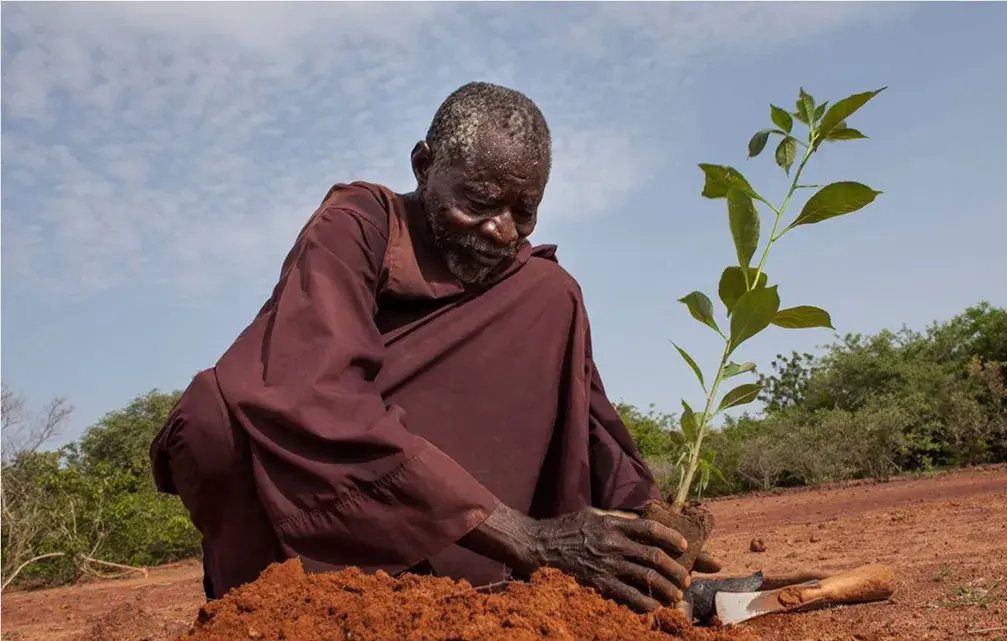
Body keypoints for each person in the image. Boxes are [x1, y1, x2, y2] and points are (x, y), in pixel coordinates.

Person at [150, 81, 726, 615]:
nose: (501, 230)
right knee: (216, 416)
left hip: (446, 535)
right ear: (424, 167)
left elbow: (590, 419)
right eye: (478, 202)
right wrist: (527, 539)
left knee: (552, 293)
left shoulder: (534, 289)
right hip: (310, 517)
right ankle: (273, 599)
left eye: (523, 212)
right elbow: (312, 392)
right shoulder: (358, 225)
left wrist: (649, 527)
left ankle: (487, 591)